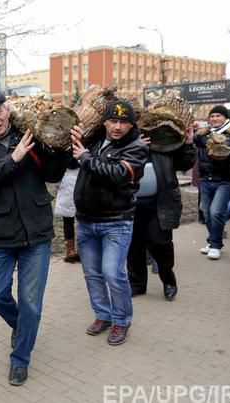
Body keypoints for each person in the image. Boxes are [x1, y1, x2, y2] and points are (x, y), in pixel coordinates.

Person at [0, 89, 70, 386]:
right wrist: (13, 158)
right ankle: (20, 324)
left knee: (31, 302)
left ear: (7, 111)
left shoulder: (30, 135)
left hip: (37, 234)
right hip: (0, 236)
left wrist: (60, 147)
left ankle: (20, 358)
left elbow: (52, 174)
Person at [71, 100, 148, 346]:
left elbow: (118, 174)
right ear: (104, 121)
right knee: (92, 274)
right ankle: (103, 315)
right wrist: (76, 145)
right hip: (85, 220)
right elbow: (71, 161)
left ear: (130, 124)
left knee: (112, 274)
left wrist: (84, 157)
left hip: (116, 222)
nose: (117, 127)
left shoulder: (136, 148)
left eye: (123, 122)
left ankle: (122, 320)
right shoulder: (94, 141)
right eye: (112, 121)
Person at [127, 127, 196, 300]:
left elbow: (184, 164)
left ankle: (168, 280)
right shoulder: (127, 144)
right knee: (134, 247)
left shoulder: (164, 145)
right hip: (131, 206)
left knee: (160, 243)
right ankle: (137, 284)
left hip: (160, 205)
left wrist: (188, 143)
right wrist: (136, 147)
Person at [193, 105, 230, 260]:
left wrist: (228, 157)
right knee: (206, 214)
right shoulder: (204, 133)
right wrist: (191, 131)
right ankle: (212, 242)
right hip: (205, 179)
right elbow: (192, 142)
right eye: (212, 116)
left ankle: (216, 245)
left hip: (224, 180)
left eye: (218, 115)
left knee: (216, 212)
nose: (214, 119)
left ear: (225, 117)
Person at [54, 168, 80, 263]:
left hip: (66, 181)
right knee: (83, 221)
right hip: (80, 180)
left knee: (67, 220)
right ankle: (81, 250)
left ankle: (70, 251)